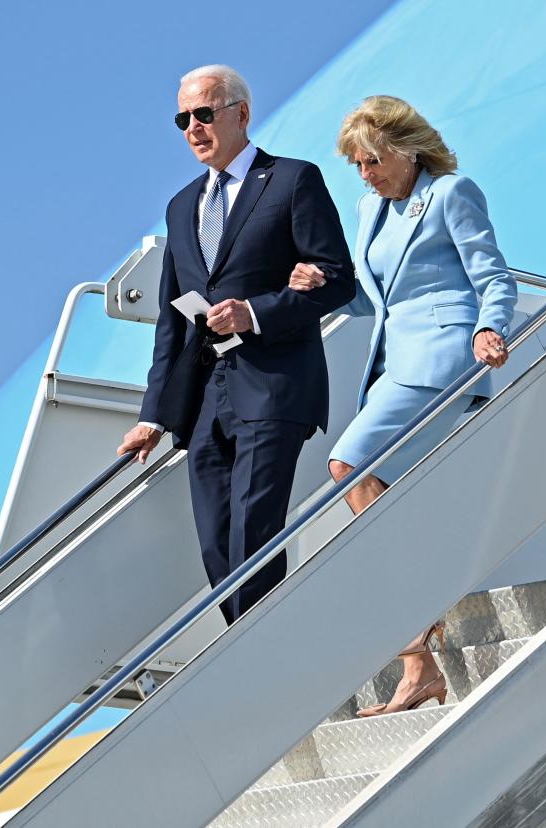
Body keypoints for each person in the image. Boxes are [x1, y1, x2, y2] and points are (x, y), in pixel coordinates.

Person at [288, 95, 517, 715]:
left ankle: (417, 624)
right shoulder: (370, 208)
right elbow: (377, 300)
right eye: (357, 165)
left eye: (373, 160)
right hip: (393, 362)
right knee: (369, 481)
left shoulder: (451, 193)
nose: (365, 174)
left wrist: (490, 328)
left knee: (349, 466)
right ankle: (420, 656)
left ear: (406, 147)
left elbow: (493, 276)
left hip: (445, 354)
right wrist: (325, 289)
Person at [118, 65, 353, 625]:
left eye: (204, 114)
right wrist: (154, 415)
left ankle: (258, 658)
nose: (193, 128)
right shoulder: (180, 206)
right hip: (206, 397)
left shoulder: (294, 180)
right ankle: (255, 646)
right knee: (216, 543)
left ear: (240, 113)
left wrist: (254, 312)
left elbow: (339, 279)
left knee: (254, 529)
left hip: (274, 386)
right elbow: (171, 320)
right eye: (183, 119)